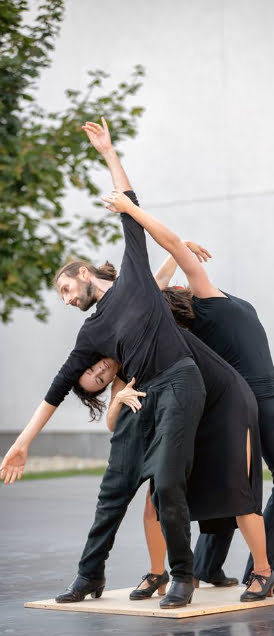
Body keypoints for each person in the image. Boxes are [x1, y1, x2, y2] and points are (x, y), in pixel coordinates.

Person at [0, 118, 207, 609]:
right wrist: (22, 443)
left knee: (168, 482)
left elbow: (129, 206)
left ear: (83, 273)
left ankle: (183, 575)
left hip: (180, 381)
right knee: (113, 490)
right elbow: (57, 388)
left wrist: (109, 153)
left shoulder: (135, 272)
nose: (67, 299)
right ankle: (87, 577)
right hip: (138, 395)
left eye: (66, 289)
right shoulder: (91, 331)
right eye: (63, 297)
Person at [101, 190, 274, 592]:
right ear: (181, 293)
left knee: (230, 484)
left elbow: (152, 288)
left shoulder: (190, 323)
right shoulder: (208, 300)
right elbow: (169, 254)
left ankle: (208, 566)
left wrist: (173, 258)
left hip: (235, 406)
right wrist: (132, 211)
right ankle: (266, 571)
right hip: (263, 398)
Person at [66, 324, 274, 603]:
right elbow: (112, 423)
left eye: (94, 369)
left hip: (224, 401)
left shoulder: (134, 334)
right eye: (99, 379)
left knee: (236, 489)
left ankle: (263, 572)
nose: (101, 371)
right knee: (157, 495)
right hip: (188, 409)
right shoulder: (122, 375)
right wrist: (118, 400)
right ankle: (158, 573)